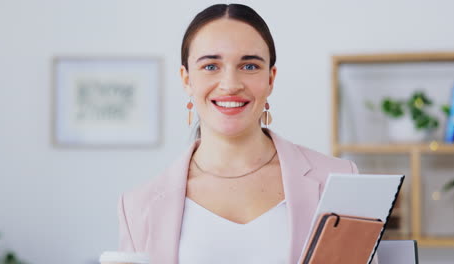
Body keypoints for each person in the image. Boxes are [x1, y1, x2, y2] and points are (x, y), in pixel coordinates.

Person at [117, 3, 379, 264]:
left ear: (270, 79)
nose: (231, 84)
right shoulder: (138, 207)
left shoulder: (340, 180)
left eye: (250, 66)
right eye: (210, 66)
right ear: (186, 79)